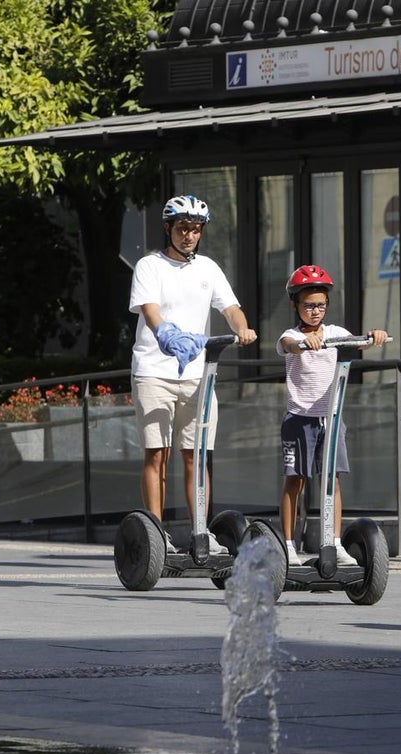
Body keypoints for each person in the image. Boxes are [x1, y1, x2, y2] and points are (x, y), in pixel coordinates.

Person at [129, 194, 257, 554]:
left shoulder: (208, 269)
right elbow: (150, 309)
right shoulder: (149, 266)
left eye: (196, 229)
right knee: (158, 452)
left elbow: (231, 307)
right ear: (168, 228)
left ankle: (201, 531)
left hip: (198, 373)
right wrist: (164, 333)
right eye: (183, 228)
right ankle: (156, 536)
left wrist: (242, 328)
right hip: (155, 370)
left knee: (196, 454)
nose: (189, 235)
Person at [277, 265, 389, 566]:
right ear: (296, 306)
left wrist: (374, 336)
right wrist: (303, 344)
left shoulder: (335, 333)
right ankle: (288, 545)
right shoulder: (291, 335)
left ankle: (333, 542)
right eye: (309, 305)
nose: (315, 312)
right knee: (295, 480)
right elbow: (289, 346)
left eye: (320, 305)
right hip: (300, 419)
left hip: (332, 419)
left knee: (331, 481)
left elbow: (359, 341)